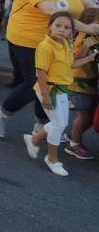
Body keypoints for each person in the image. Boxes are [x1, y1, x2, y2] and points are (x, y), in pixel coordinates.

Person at [0, 0, 99, 140]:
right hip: (27, 39)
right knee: (36, 83)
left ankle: (41, 125)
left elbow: (90, 4)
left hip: (56, 40)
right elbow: (55, 13)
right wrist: (88, 28)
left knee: (50, 81)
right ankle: (1, 113)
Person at [22, 12, 87, 177]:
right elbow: (41, 72)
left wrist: (91, 57)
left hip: (62, 89)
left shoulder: (64, 44)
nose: (62, 30)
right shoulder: (46, 46)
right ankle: (52, 159)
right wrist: (45, 95)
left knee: (60, 122)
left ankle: (35, 139)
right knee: (59, 125)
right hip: (50, 90)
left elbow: (71, 63)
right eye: (58, 25)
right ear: (49, 26)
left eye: (67, 27)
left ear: (71, 32)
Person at [65, 8, 99, 160]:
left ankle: (73, 135)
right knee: (85, 115)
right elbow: (73, 59)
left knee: (92, 116)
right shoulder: (85, 36)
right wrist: (86, 46)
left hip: (91, 82)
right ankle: (74, 144)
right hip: (79, 83)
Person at [2, 0, 27, 87]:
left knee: (20, 52)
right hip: (9, 14)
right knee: (12, 51)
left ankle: (24, 80)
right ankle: (17, 78)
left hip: (19, 17)